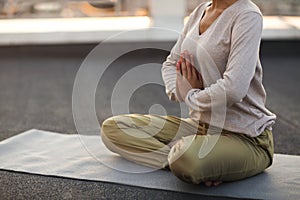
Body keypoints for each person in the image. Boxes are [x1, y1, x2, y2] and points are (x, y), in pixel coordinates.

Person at [101, 0, 276, 187]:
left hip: (246, 138)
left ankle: (186, 155)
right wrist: (183, 92)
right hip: (200, 126)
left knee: (187, 159)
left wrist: (192, 96)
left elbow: (234, 88)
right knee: (112, 129)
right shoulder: (201, 10)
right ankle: (183, 156)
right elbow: (170, 63)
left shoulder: (247, 15)